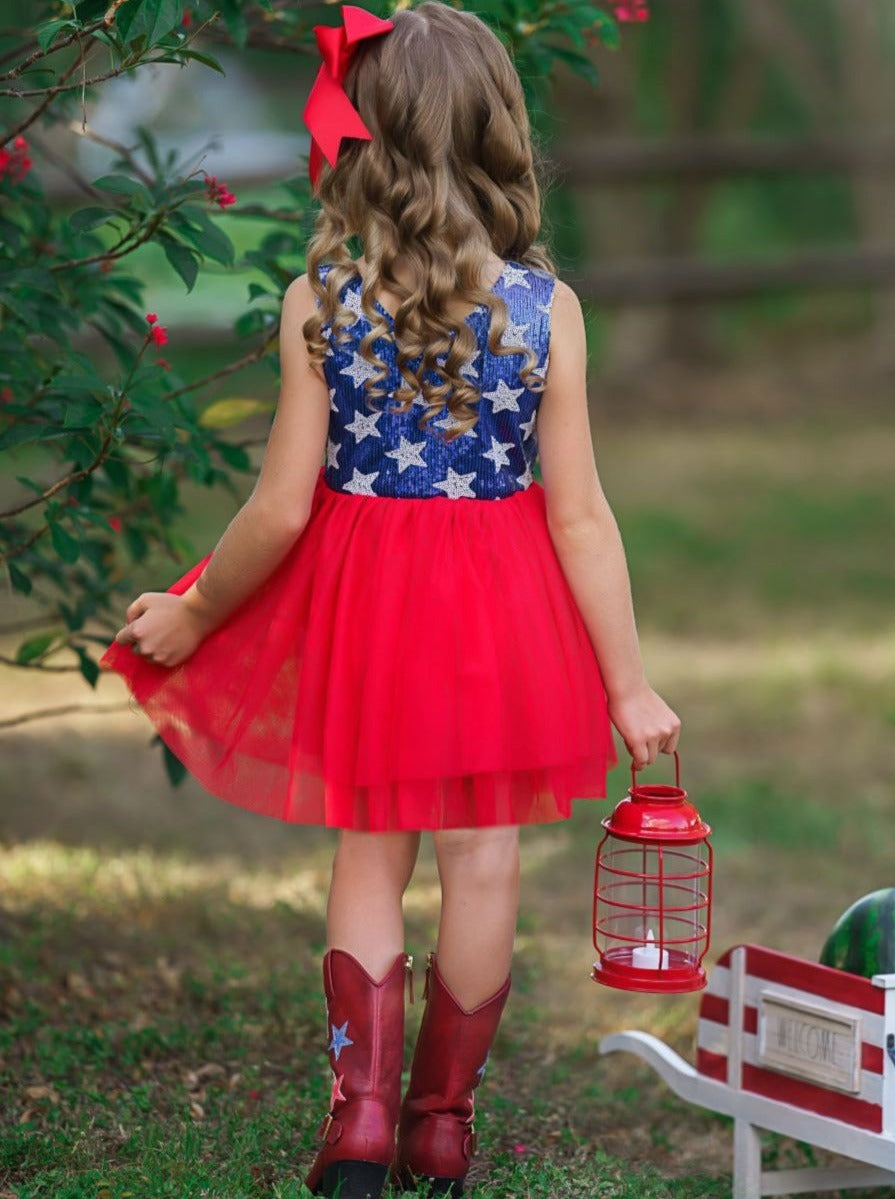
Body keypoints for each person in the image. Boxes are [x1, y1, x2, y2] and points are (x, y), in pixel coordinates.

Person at [98, 3, 681, 1196]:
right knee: (484, 858)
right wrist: (626, 685)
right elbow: (579, 514)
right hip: (504, 609)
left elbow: (280, 510)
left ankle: (358, 1119)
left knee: (372, 854)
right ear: (497, 133)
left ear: (365, 139)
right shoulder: (546, 311)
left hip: (373, 610)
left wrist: (197, 611)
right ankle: (440, 1125)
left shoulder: (320, 300)